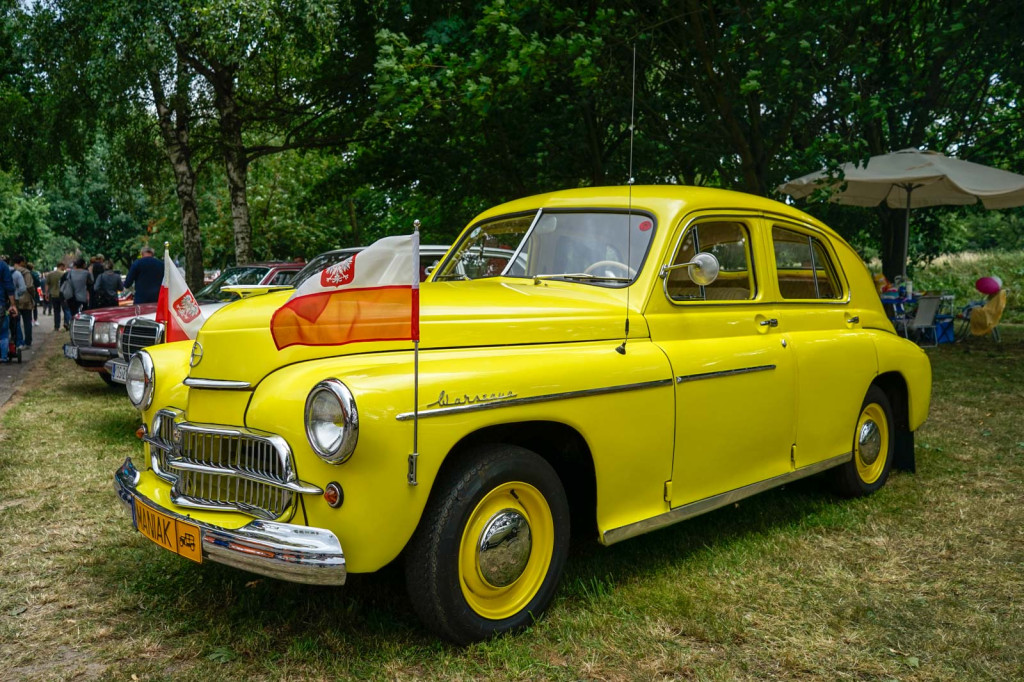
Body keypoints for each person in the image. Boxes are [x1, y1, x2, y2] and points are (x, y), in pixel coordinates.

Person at [11, 255, 33, 348]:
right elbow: (29, 286)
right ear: (21, 262)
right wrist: (33, 295)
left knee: (16, 321)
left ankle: (17, 341)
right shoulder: (26, 272)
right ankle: (27, 342)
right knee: (27, 321)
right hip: (26, 299)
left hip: (13, 299)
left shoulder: (9, 271)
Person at [0, 256, 17, 363]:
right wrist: (13, 304)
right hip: (1, 305)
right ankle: (3, 357)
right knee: (3, 332)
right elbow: (9, 286)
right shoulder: (3, 265)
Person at [45, 263, 66, 329]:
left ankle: (56, 326)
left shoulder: (50, 274)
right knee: (65, 310)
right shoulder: (64, 274)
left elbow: (47, 284)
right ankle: (66, 323)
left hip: (53, 294)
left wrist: (46, 293)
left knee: (56, 311)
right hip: (63, 294)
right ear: (61, 266)